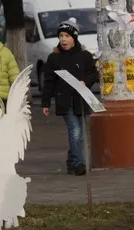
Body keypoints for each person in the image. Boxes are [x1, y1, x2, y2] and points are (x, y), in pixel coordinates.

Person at [40, 23, 99, 176]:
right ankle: (79, 164)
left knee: (80, 135)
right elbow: (49, 82)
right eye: (61, 36)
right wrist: (46, 103)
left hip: (81, 99)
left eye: (67, 36)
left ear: (74, 38)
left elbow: (94, 74)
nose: (63, 39)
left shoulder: (85, 56)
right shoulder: (54, 58)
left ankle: (72, 161)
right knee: (75, 130)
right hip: (64, 101)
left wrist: (85, 81)